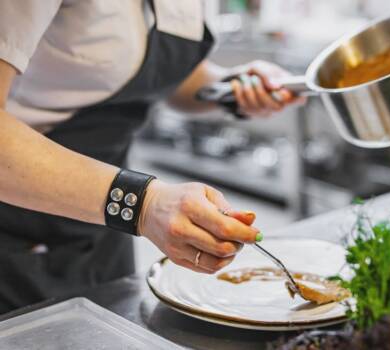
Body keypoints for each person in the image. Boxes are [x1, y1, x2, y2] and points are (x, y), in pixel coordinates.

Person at [0, 1, 301, 314]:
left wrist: (230, 86)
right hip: (16, 218)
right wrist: (142, 203)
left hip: (104, 225)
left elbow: (162, 74)